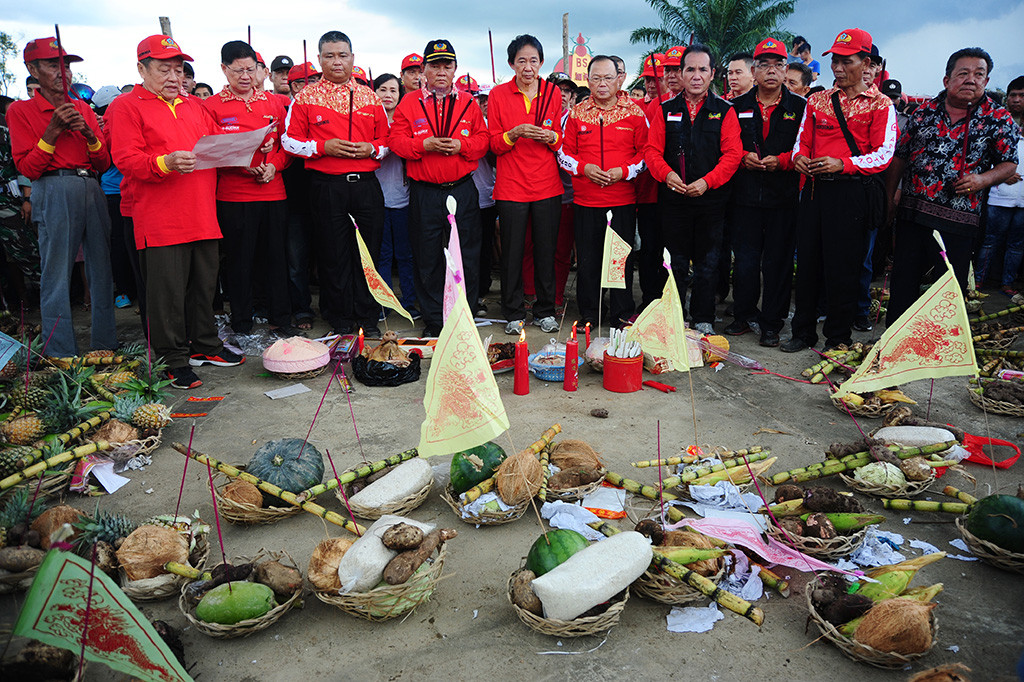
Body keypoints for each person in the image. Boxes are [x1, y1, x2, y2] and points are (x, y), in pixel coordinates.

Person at [107, 34, 246, 389]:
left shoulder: (193, 106)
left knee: (204, 286)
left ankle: (205, 344)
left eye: (178, 69)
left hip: (202, 211)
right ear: (142, 69)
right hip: (160, 216)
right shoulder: (126, 106)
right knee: (165, 293)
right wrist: (164, 162)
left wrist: (251, 147)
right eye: (163, 69)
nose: (174, 76)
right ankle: (172, 358)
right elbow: (126, 159)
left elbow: (218, 145)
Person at [782, 29, 896, 353]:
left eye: (847, 61)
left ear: (867, 62)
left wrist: (842, 163)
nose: (838, 68)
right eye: (835, 60)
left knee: (843, 269)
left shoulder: (881, 104)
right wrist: (799, 158)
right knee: (807, 265)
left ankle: (838, 337)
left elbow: (883, 154)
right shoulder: (818, 100)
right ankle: (802, 332)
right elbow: (801, 141)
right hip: (815, 191)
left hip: (851, 194)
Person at [886, 49, 1019, 322]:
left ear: (987, 80)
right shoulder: (924, 112)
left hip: (960, 220)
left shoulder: (998, 118)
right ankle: (893, 344)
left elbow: (1009, 164)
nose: (971, 80)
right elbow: (900, 156)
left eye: (979, 74)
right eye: (963, 73)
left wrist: (983, 179)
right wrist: (889, 198)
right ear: (947, 80)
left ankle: (939, 348)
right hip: (913, 213)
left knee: (948, 286)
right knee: (904, 280)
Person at [7, 37, 116, 357]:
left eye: (66, 65)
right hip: (52, 188)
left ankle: (105, 344)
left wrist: (90, 134)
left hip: (90, 186)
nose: (63, 71)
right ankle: (60, 352)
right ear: (32, 69)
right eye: (53, 65)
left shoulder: (82, 105)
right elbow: (27, 166)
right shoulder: (21, 110)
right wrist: (53, 131)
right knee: (55, 273)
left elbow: (103, 162)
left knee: (102, 269)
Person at [282, 31, 390, 337]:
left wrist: (373, 149)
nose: (337, 62)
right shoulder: (305, 97)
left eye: (342, 55)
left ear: (353, 58)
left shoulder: (371, 97)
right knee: (333, 253)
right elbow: (288, 141)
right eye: (329, 56)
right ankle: (339, 316)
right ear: (319, 60)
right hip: (327, 185)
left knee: (368, 252)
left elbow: (387, 140)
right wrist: (321, 147)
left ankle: (368, 316)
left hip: (366, 185)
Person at [389, 40, 488, 337]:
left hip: (462, 190)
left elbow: (483, 141)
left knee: (466, 255)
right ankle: (434, 319)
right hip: (425, 193)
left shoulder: (469, 103)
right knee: (428, 256)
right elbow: (396, 142)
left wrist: (462, 145)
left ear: (455, 69)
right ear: (424, 70)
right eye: (435, 66)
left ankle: (464, 314)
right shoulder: (409, 103)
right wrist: (424, 145)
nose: (441, 72)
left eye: (447, 65)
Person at [644, 44, 743, 335]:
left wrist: (706, 182)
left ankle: (703, 318)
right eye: (690, 69)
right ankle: (674, 316)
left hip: (711, 199)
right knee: (672, 261)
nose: (696, 76)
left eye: (702, 69)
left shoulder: (724, 111)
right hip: (673, 198)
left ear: (713, 74)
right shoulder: (665, 110)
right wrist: (667, 174)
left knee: (708, 262)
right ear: (681, 73)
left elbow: (733, 155)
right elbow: (651, 151)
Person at [204, 40, 297, 339]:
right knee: (239, 260)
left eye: (251, 69)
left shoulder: (272, 103)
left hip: (273, 191)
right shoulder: (211, 106)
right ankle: (241, 321)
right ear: (224, 69)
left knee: (276, 258)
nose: (245, 76)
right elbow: (209, 152)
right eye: (238, 70)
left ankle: (280, 318)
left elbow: (288, 146)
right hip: (234, 194)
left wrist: (276, 165)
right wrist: (241, 165)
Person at [722, 38, 806, 348]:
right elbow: (727, 143)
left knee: (778, 263)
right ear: (754, 71)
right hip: (743, 197)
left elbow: (805, 147)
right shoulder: (736, 106)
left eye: (778, 65)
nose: (771, 71)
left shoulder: (799, 107)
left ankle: (771, 323)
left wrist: (783, 161)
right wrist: (743, 155)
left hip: (783, 198)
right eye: (764, 65)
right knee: (744, 261)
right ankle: (743, 315)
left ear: (786, 71)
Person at [558, 55, 647, 329]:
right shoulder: (576, 114)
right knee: (588, 260)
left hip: (621, 200)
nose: (602, 83)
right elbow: (562, 153)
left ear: (619, 78)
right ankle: (590, 312)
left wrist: (625, 171)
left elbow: (646, 154)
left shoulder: (634, 113)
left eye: (608, 77)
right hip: (586, 201)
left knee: (619, 258)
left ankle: (621, 313)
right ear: (588, 80)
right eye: (596, 78)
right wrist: (584, 168)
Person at [488, 34, 564, 335]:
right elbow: (493, 144)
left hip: (547, 185)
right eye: (522, 61)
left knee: (546, 250)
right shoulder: (498, 95)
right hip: (511, 186)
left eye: (533, 60)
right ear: (512, 64)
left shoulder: (552, 92)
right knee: (512, 253)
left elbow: (561, 138)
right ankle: (513, 312)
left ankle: (545, 310)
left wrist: (552, 138)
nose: (528, 67)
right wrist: (514, 133)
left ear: (541, 63)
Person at [373, 72, 419, 322]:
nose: (388, 95)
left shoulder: (405, 121)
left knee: (406, 254)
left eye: (393, 90)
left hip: (403, 199)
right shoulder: (368, 120)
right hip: (376, 200)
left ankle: (409, 302)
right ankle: (383, 303)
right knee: (382, 254)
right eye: (383, 89)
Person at [975, 75, 1024, 294]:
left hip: (1023, 197)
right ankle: (978, 281)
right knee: (990, 240)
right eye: (1012, 95)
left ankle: (1007, 283)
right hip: (999, 193)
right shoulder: (998, 121)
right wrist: (1002, 175)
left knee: (1017, 244)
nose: (1016, 100)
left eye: (1022, 96)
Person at [282, 61, 321, 331]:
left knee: (329, 255)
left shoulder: (327, 111)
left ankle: (332, 307)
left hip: (325, 194)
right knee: (296, 260)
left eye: (315, 80)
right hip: (294, 200)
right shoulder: (288, 113)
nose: (311, 87)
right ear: (292, 86)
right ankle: (302, 309)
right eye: (303, 82)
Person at [472, 84, 497, 313]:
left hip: (488, 195)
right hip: (464, 197)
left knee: (485, 248)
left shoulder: (496, 125)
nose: (486, 103)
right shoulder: (467, 122)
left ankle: (481, 289)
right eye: (481, 99)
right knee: (467, 248)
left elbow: (495, 159)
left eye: (490, 99)